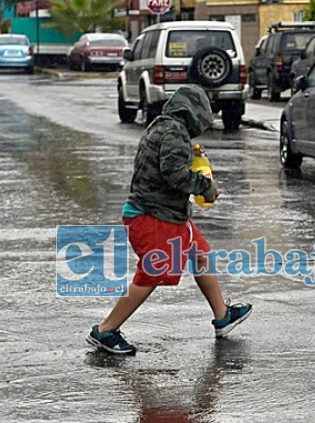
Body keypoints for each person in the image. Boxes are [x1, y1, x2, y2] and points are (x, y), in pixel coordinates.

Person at [86, 86, 252, 354]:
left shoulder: (163, 126)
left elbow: (169, 162)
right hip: (154, 217)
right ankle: (105, 330)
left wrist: (193, 156)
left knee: (201, 255)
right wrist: (204, 186)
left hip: (168, 215)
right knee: (152, 274)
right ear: (193, 112)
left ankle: (223, 316)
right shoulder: (175, 132)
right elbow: (174, 174)